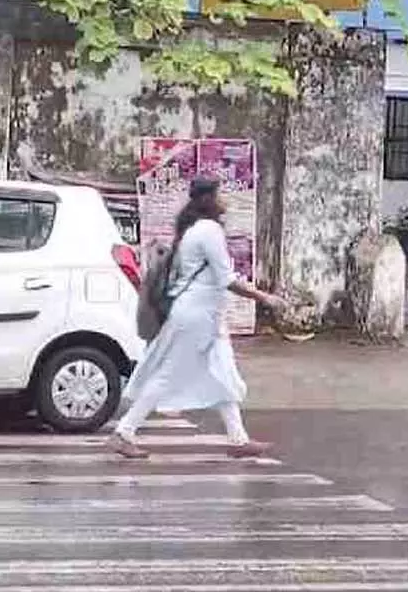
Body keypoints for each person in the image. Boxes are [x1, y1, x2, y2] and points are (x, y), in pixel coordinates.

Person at [108, 177, 285, 459]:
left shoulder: (192, 230)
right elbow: (226, 279)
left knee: (224, 373)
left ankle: (238, 440)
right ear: (208, 199)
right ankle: (124, 431)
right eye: (219, 194)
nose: (224, 199)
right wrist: (264, 298)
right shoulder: (208, 231)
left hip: (205, 317)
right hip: (196, 317)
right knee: (167, 375)